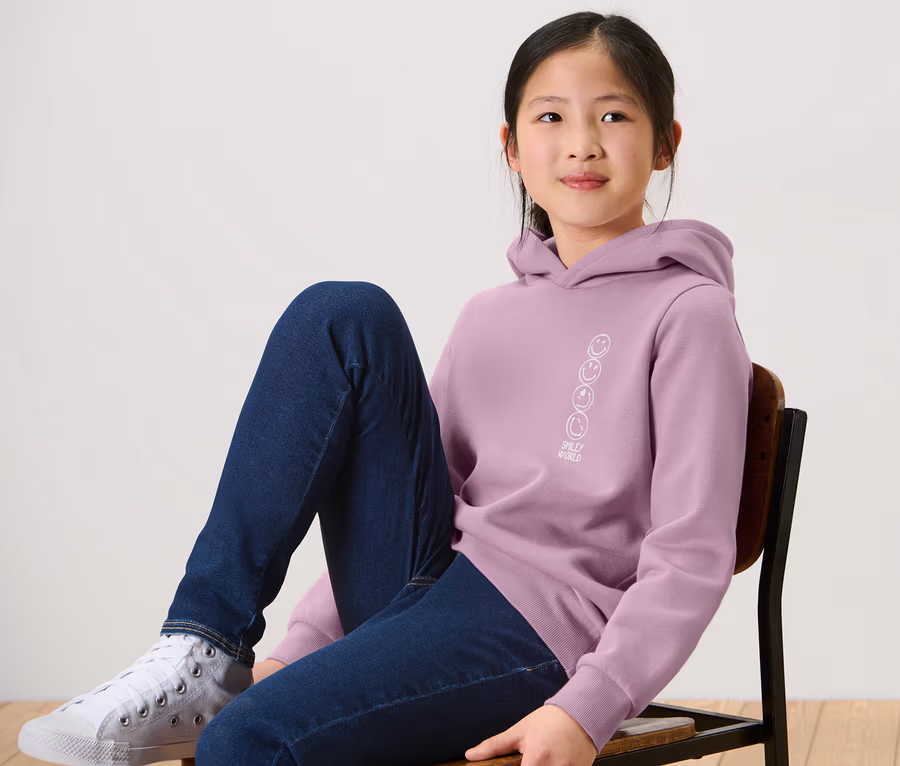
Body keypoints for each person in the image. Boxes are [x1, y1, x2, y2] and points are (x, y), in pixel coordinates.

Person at [18, 10, 754, 766]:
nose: (582, 143)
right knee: (341, 315)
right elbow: (422, 499)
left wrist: (587, 708)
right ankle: (202, 643)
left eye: (614, 116)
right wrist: (298, 649)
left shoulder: (688, 314)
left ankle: (229, 686)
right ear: (511, 147)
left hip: (540, 633)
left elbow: (690, 554)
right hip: (430, 583)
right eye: (551, 117)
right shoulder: (489, 316)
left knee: (247, 738)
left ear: (665, 144)